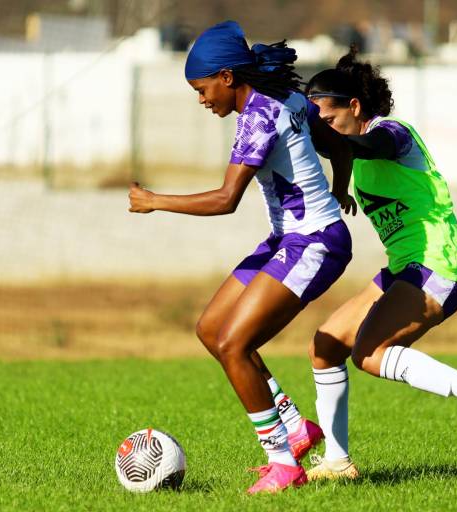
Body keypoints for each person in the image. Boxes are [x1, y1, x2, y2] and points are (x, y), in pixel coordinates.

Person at [128, 21, 357, 494]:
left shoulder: (259, 115)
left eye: (202, 88)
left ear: (228, 77)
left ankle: (283, 464)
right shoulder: (285, 100)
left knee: (234, 343)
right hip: (287, 238)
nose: (201, 99)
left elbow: (225, 199)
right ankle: (294, 428)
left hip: (313, 242)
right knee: (212, 330)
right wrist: (336, 190)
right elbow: (336, 145)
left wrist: (154, 201)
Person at [302, 48, 457, 480]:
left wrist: (333, 144)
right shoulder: (353, 157)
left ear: (356, 107)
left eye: (327, 120)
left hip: (440, 264)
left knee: (369, 354)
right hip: (406, 266)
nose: (325, 131)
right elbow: (345, 156)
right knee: (325, 345)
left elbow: (367, 144)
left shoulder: (393, 134)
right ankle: (337, 462)